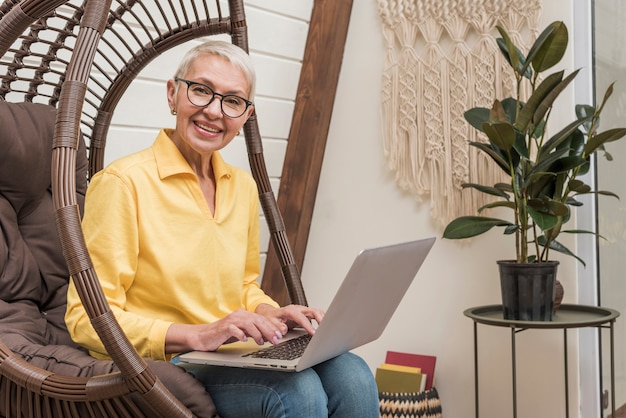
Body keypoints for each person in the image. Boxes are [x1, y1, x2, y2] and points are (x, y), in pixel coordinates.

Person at [65, 40, 380, 417]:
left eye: (232, 101)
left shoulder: (241, 186)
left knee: (354, 373)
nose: (214, 111)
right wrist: (197, 334)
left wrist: (269, 311)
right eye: (201, 90)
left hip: (233, 354)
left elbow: (242, 286)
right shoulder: (122, 183)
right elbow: (86, 317)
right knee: (299, 392)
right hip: (170, 361)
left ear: (245, 115)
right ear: (172, 93)